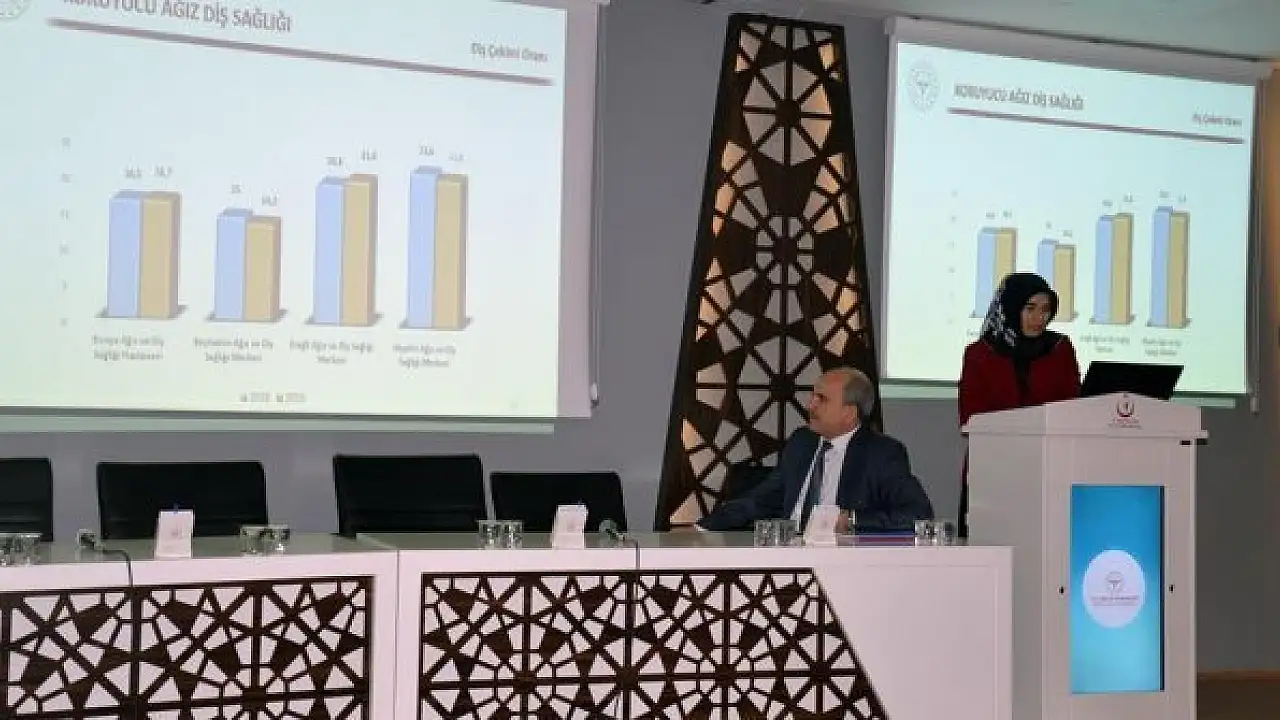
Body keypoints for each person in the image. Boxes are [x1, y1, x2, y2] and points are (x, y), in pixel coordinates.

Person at [697, 366, 934, 533]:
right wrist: (703, 527)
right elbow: (762, 500)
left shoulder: (881, 453)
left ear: (849, 413)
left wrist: (852, 520)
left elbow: (918, 514)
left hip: (843, 562)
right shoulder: (802, 442)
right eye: (812, 396)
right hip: (788, 554)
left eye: (822, 399)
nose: (810, 405)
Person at [957, 272, 1081, 536]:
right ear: (1011, 308)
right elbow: (970, 417)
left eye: (1046, 310)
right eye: (1030, 308)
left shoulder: (1059, 349)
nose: (1040, 318)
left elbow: (1072, 407)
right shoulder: (980, 354)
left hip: (1049, 469)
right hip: (993, 470)